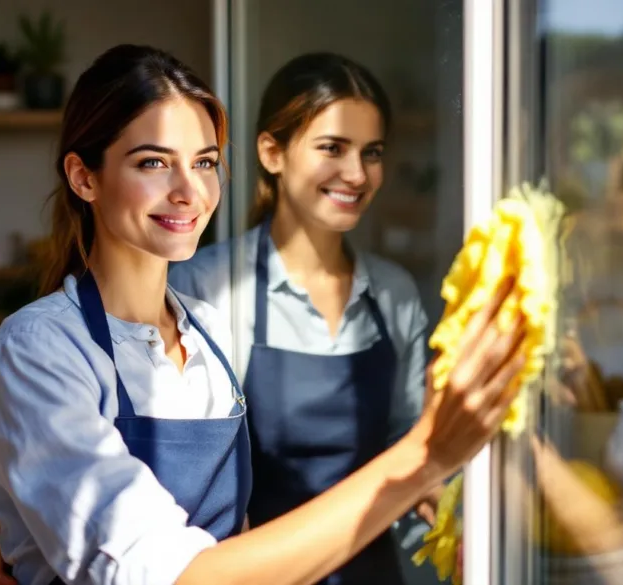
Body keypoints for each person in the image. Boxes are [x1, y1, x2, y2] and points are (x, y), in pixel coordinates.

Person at [0, 44, 527, 585]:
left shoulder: (209, 333)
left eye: (205, 163)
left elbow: (233, 535)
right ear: (84, 178)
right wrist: (424, 456)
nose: (189, 191)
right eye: (153, 162)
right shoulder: (37, 350)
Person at [166, 52, 435, 584]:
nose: (357, 174)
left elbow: (411, 447)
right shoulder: (204, 288)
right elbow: (178, 483)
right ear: (272, 152)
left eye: (372, 152)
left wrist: (453, 516)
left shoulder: (395, 293)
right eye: (333, 148)